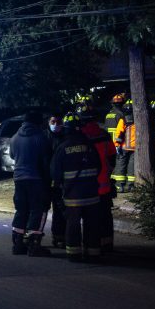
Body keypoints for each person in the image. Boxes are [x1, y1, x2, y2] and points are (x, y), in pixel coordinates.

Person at [51, 112, 102, 261]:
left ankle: (74, 254)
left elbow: (55, 173)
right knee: (92, 225)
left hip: (73, 196)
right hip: (92, 194)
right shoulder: (89, 145)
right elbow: (98, 167)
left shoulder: (62, 148)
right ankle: (93, 253)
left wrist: (60, 187)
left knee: (72, 225)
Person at [10, 107, 52, 256]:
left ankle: (18, 243)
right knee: (38, 210)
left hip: (19, 179)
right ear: (38, 123)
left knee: (22, 209)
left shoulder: (15, 137)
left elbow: (13, 155)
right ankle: (34, 244)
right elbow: (45, 161)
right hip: (36, 179)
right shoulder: (40, 137)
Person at [78, 103, 117, 253]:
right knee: (106, 216)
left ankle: (91, 245)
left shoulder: (79, 137)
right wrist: (107, 173)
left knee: (89, 218)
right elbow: (112, 157)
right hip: (104, 185)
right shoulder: (104, 134)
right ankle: (107, 244)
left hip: (86, 187)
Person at [47, 113, 67, 249]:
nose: (55, 125)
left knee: (62, 210)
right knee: (57, 209)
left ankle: (62, 236)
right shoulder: (45, 137)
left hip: (63, 179)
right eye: (53, 122)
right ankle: (57, 236)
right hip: (50, 179)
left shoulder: (65, 137)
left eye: (58, 122)